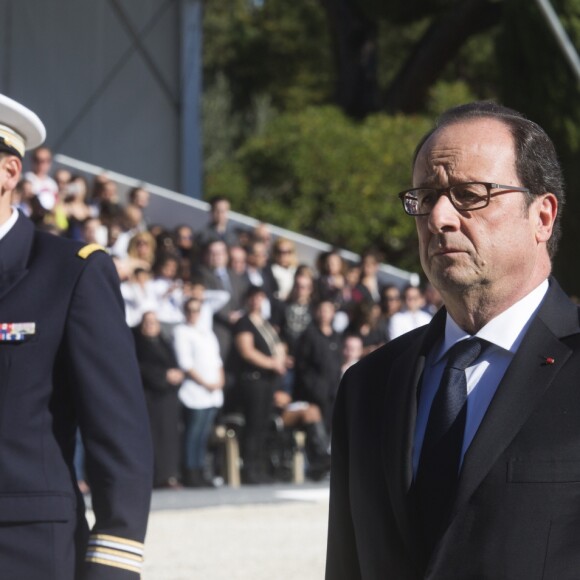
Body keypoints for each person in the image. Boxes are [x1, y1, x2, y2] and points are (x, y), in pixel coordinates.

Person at [325, 101, 571, 579]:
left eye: (469, 195)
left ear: (542, 216)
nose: (439, 217)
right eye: (426, 196)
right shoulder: (369, 387)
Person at [0, 94, 152, 578]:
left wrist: (112, 563)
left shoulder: (69, 273)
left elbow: (118, 435)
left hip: (25, 553)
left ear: (8, 171)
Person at [233, 285, 287, 484]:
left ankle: (260, 467)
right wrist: (272, 363)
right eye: (253, 298)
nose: (257, 302)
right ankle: (250, 469)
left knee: (264, 424)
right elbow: (246, 351)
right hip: (253, 380)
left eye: (260, 298)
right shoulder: (244, 323)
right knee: (254, 425)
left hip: (267, 382)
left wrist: (281, 359)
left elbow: (278, 344)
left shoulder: (265, 323)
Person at [174, 297, 225, 487]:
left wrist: (219, 380)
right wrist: (205, 383)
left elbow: (216, 360)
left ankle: (201, 469)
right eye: (190, 310)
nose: (193, 314)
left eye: (197, 310)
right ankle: (190, 471)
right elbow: (185, 363)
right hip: (196, 390)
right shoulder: (182, 331)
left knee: (204, 434)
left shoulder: (207, 333)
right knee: (193, 433)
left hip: (213, 391)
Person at [133, 311, 184, 489]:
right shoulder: (138, 345)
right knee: (154, 437)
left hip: (168, 397)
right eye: (146, 322)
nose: (150, 326)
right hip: (151, 397)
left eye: (153, 322)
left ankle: (169, 475)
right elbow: (141, 368)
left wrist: (177, 374)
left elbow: (174, 363)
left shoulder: (164, 343)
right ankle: (156, 476)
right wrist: (163, 375)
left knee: (170, 437)